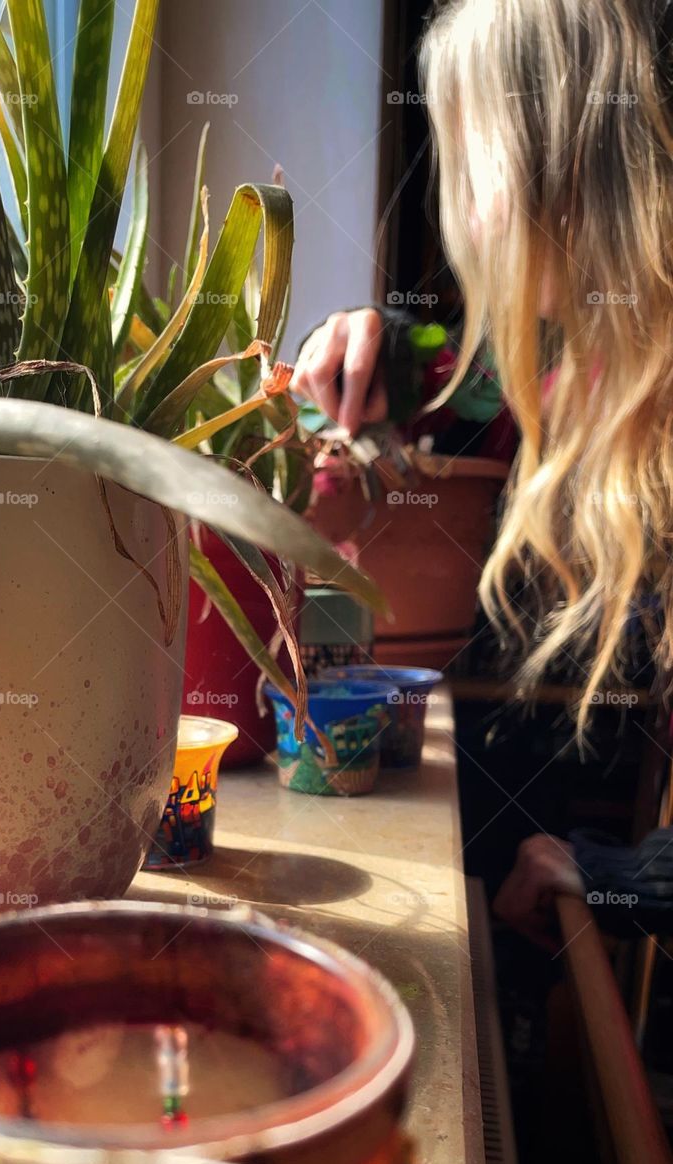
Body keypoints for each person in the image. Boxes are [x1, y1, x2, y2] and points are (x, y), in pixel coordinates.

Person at [292, 0, 673, 948]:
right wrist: (359, 346)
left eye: (471, 161)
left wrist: (625, 881)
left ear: (561, 154)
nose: (460, 214)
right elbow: (453, 390)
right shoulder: (578, 364)